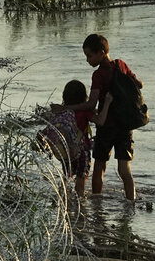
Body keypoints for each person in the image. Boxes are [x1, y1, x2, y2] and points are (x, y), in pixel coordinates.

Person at [52, 33, 143, 200]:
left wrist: (65, 108)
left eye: (89, 55)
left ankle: (97, 203)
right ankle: (131, 203)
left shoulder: (99, 75)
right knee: (125, 169)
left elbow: (90, 104)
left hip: (107, 125)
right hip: (125, 125)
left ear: (101, 52)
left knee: (100, 166)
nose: (88, 60)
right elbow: (139, 84)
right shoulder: (121, 65)